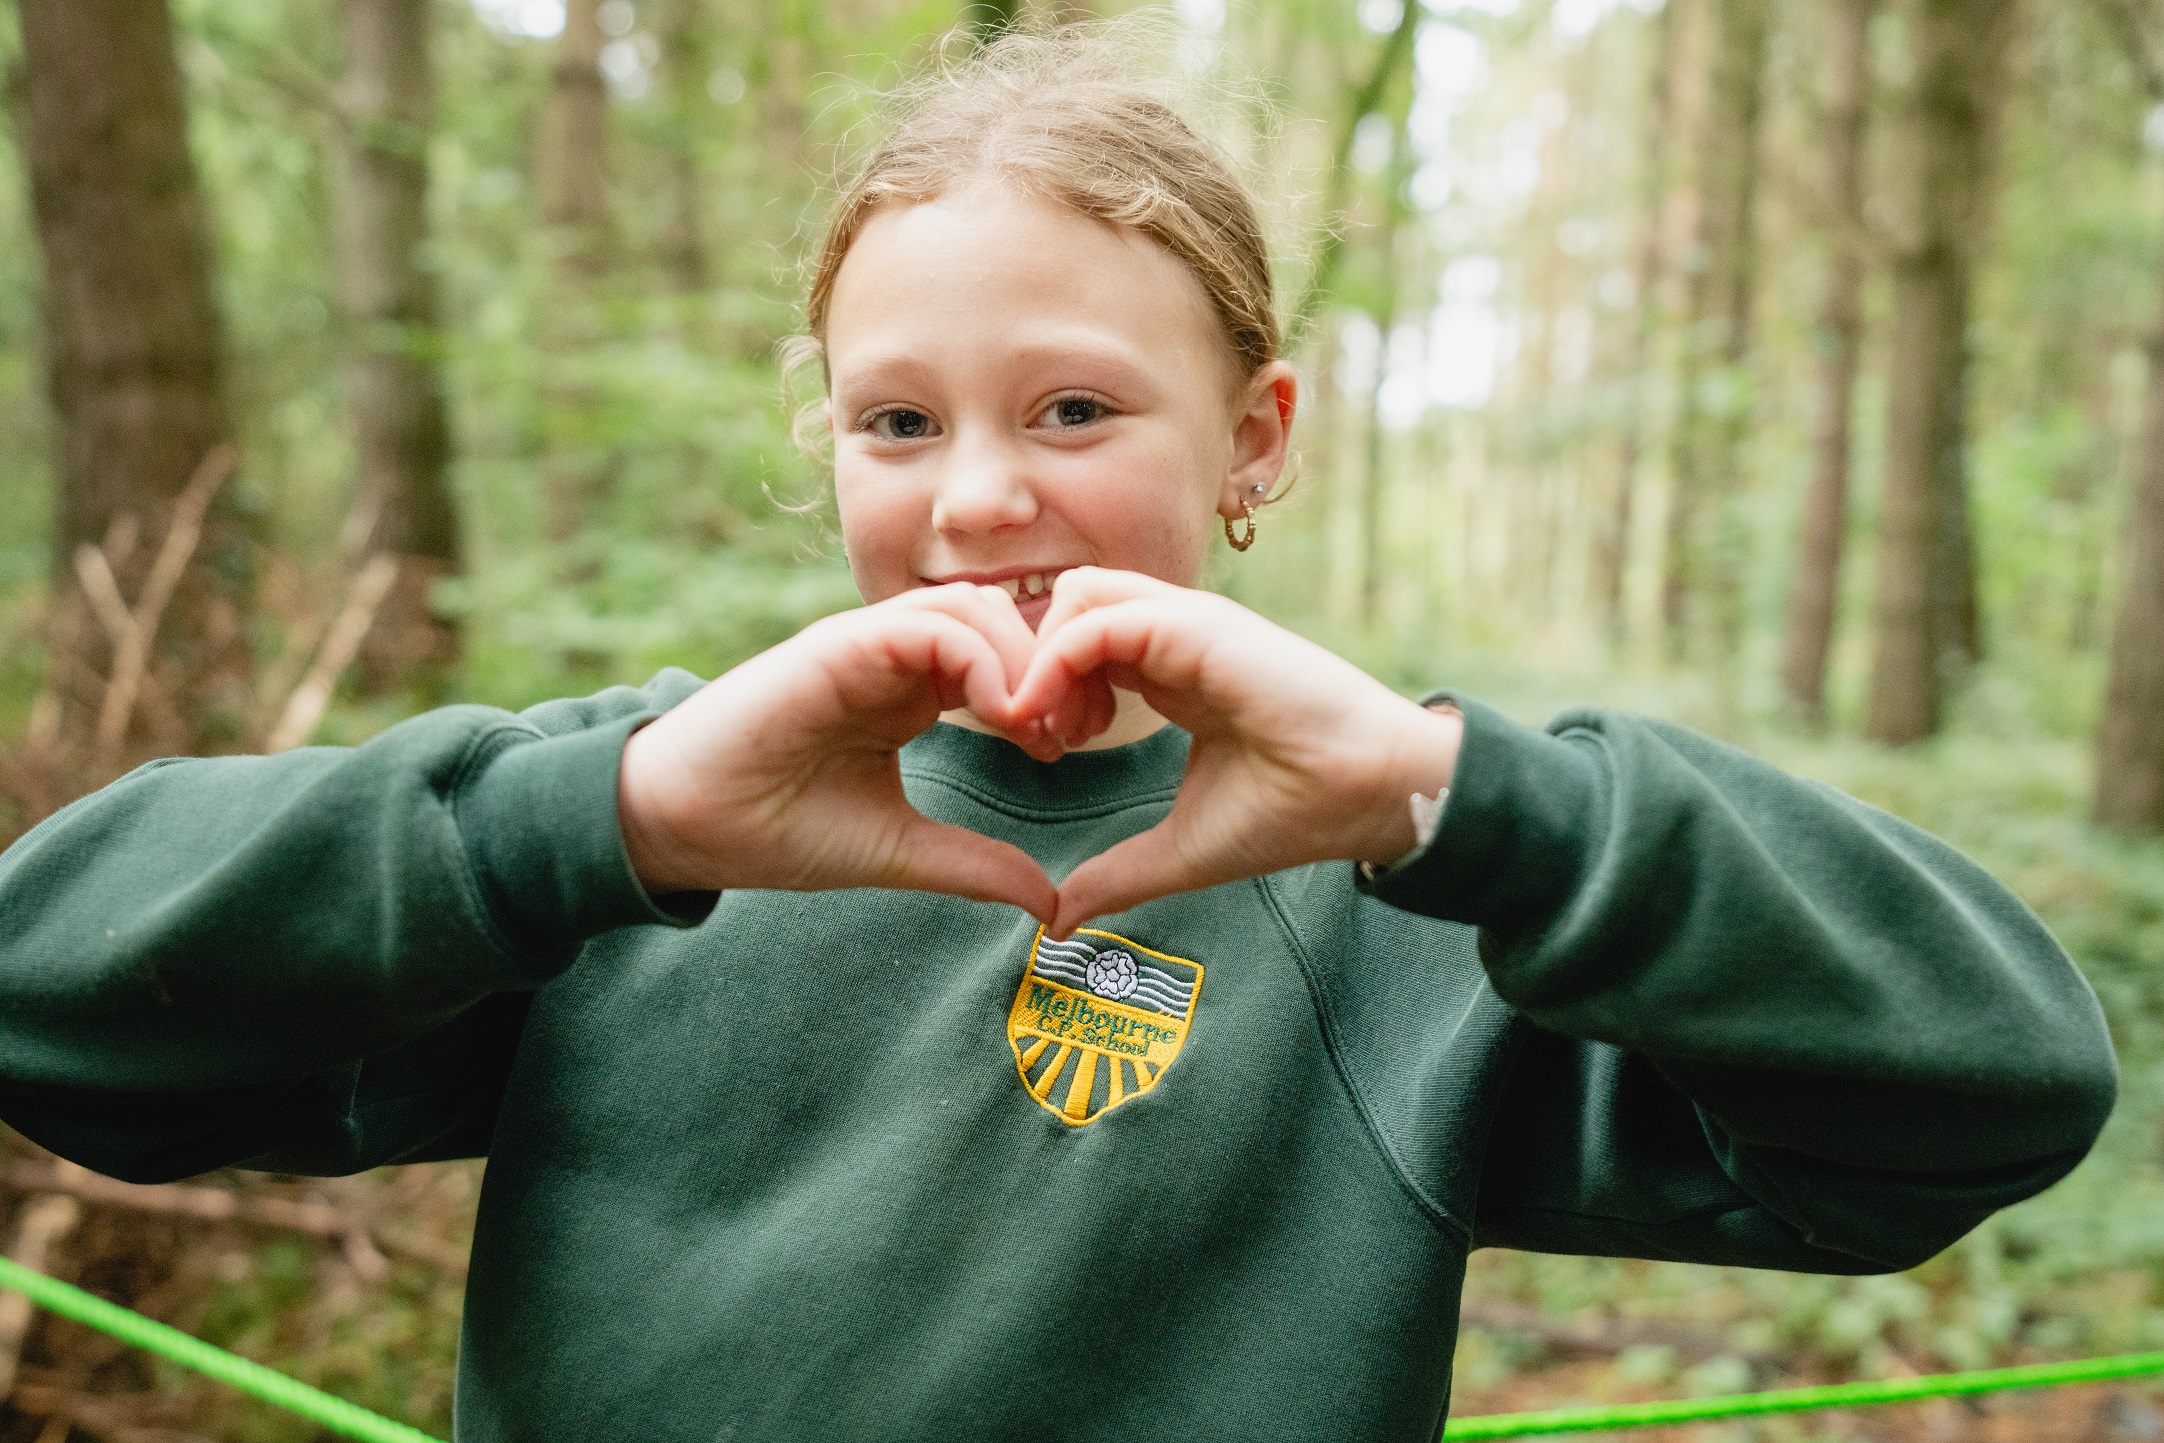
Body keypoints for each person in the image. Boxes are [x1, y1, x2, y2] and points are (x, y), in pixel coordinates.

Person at [0, 26, 2116, 1443]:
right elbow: (60, 1008)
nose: (975, 493)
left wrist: (1459, 797)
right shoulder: (636, 819)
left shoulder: (1406, 891)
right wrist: (597, 815)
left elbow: (1977, 1090)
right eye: (893, 419)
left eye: (1073, 409)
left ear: (1253, 435)